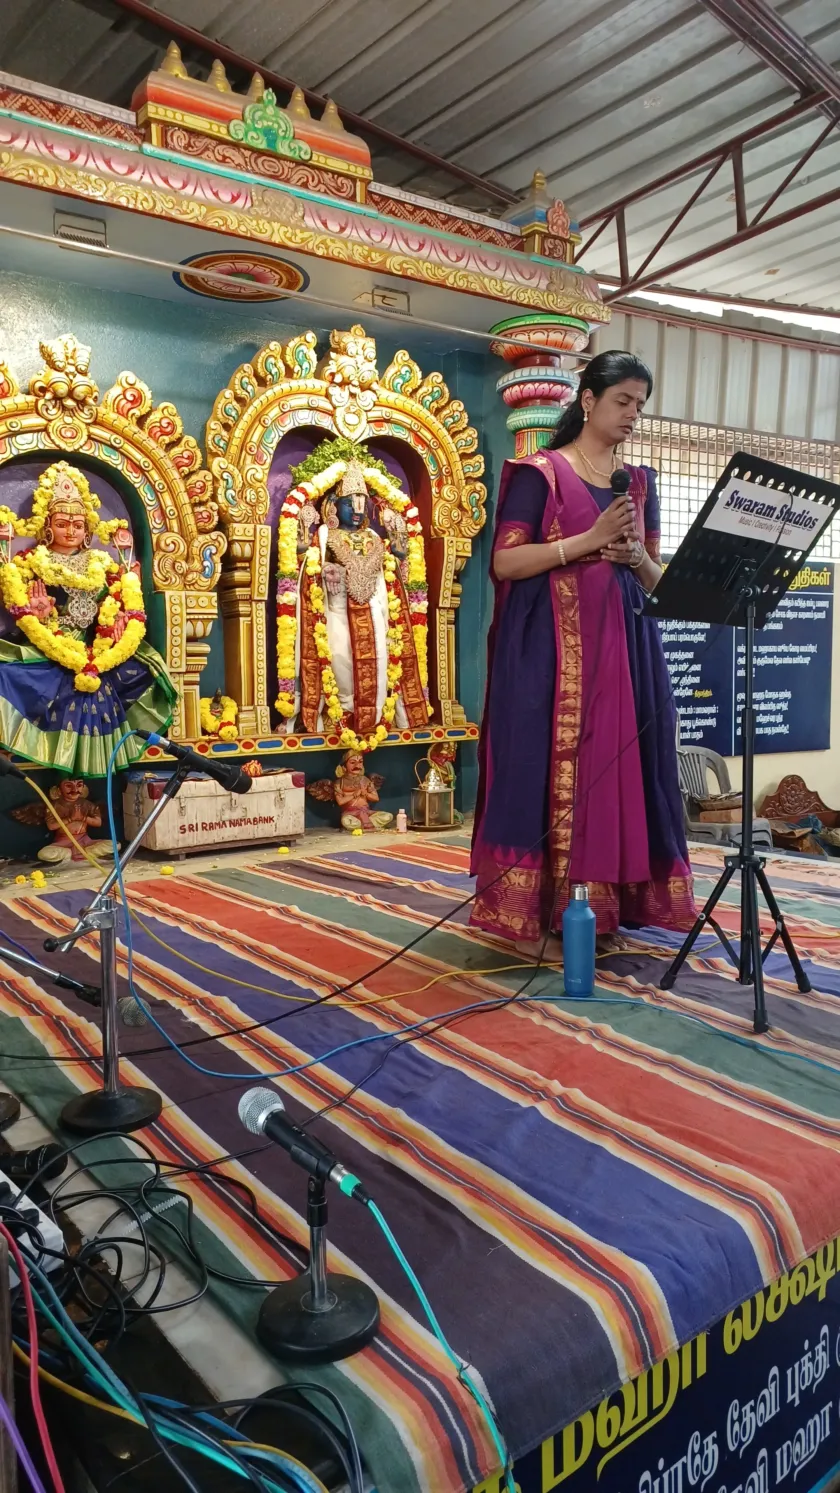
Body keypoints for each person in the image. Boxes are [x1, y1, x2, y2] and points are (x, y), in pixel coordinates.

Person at [470, 350, 695, 956]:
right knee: (546, 767)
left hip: (626, 651)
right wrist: (586, 542)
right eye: (623, 401)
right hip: (554, 656)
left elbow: (657, 582)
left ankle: (604, 910)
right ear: (589, 400)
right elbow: (506, 561)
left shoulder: (637, 482)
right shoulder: (539, 473)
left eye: (640, 405)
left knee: (620, 771)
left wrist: (636, 558)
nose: (632, 414)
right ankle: (539, 914)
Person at [0, 462, 177, 775]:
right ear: (47, 527)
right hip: (50, 646)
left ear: (87, 530)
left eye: (78, 525)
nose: (71, 531)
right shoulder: (32, 562)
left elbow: (119, 603)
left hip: (97, 648)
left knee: (150, 669)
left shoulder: (103, 563)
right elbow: (24, 611)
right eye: (62, 523)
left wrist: (119, 621)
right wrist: (39, 614)